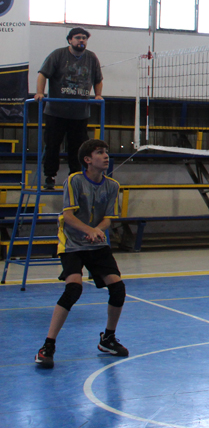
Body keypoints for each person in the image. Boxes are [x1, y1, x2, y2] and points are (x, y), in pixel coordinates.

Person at [35, 139, 128, 369]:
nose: (105, 156)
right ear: (87, 160)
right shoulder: (74, 181)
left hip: (96, 244)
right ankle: (47, 346)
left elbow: (108, 218)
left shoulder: (112, 185)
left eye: (106, 152)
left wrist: (98, 230)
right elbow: (68, 216)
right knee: (73, 288)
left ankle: (108, 339)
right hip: (72, 243)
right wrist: (89, 230)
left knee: (118, 288)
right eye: (100, 152)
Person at [35, 27, 103, 189]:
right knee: (52, 145)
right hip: (56, 112)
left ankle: (75, 178)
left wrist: (98, 95)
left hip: (79, 113)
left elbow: (98, 79)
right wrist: (39, 93)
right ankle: (50, 177)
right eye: (78, 37)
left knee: (79, 149)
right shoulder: (58, 55)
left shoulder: (91, 57)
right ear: (70, 40)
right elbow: (42, 74)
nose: (81, 40)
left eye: (84, 38)